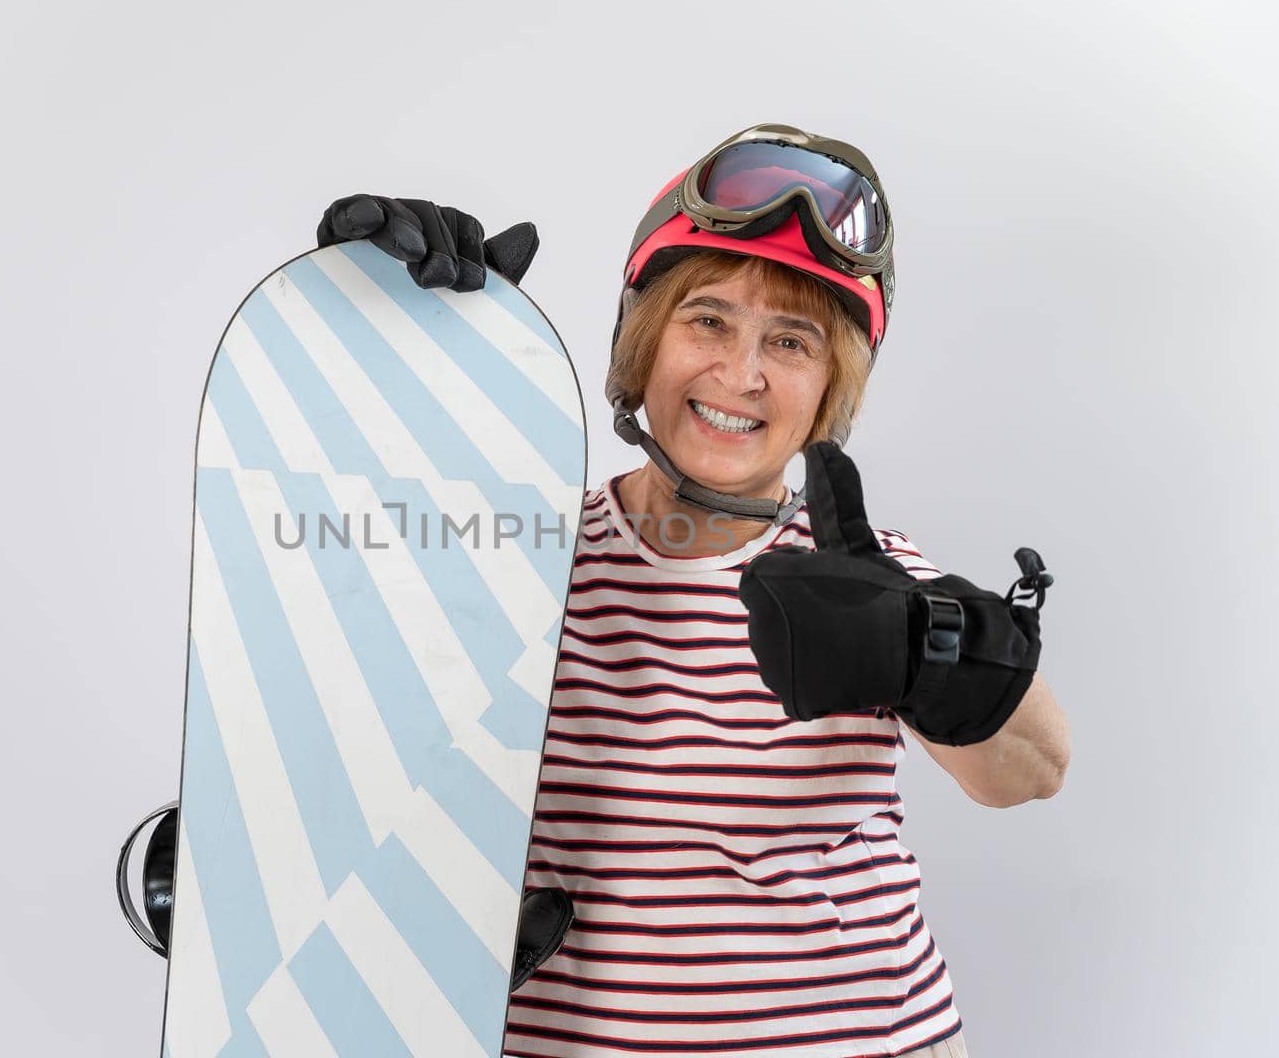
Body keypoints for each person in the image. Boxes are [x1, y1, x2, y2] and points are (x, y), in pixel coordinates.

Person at [318, 123, 1071, 1058]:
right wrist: (370, 350)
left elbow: (1033, 769)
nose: (741, 374)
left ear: (829, 385)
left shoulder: (864, 579)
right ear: (644, 341)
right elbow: (342, 721)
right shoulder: (513, 560)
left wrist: (927, 648)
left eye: (791, 341)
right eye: (707, 318)